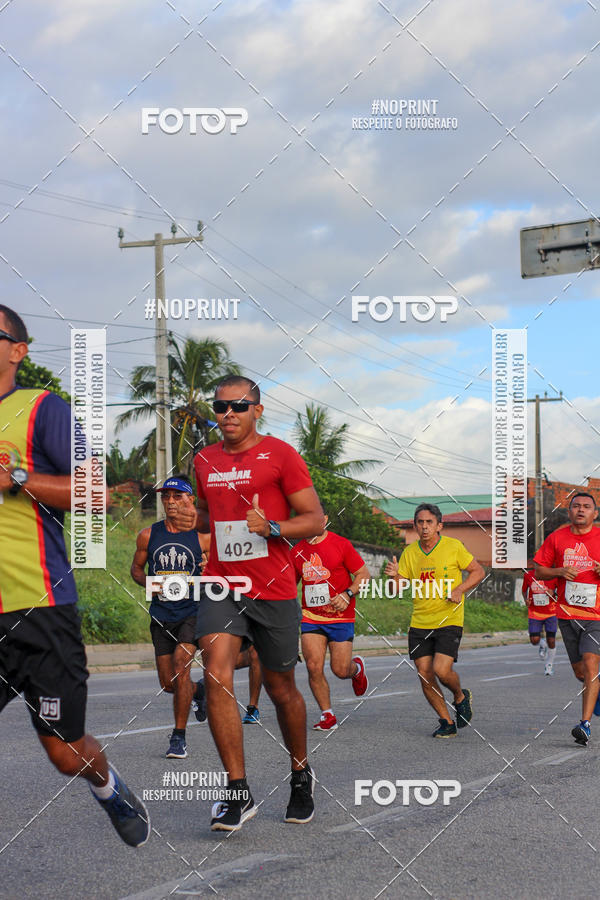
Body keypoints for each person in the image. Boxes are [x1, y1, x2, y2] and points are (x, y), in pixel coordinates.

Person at [0, 305, 149, 847]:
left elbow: (97, 493)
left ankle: (108, 787)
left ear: (18, 351)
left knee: (65, 753)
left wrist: (17, 476)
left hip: (39, 608)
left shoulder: (42, 408)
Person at [193, 374, 323, 832]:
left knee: (281, 688)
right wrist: (194, 523)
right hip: (222, 584)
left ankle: (300, 774)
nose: (228, 414)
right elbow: (207, 516)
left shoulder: (281, 455)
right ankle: (237, 790)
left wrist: (272, 528)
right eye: (220, 406)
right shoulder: (204, 460)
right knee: (216, 674)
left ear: (258, 411)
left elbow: (314, 519)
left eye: (238, 406)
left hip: (273, 588)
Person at [385, 503, 484, 738]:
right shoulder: (410, 552)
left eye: (429, 522)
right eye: (420, 522)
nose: (424, 526)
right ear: (415, 526)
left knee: (441, 669)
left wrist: (459, 589)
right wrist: (393, 577)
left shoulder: (453, 547)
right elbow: (395, 589)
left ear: (439, 525)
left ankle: (460, 696)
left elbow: (478, 571)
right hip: (420, 622)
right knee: (424, 673)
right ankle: (446, 721)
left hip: (449, 618)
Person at [130, 475, 209, 759]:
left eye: (177, 496)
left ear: (191, 500)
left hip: (192, 612)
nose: (170, 501)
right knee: (168, 683)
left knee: (181, 665)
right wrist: (150, 583)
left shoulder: (202, 537)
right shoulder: (148, 535)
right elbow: (136, 570)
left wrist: (210, 567)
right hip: (161, 614)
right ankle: (198, 691)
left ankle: (178, 737)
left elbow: (222, 570)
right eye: (166, 496)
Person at [292, 513, 370, 731]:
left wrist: (347, 594)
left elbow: (364, 575)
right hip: (311, 617)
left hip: (340, 616)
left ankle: (356, 669)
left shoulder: (340, 544)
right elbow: (288, 586)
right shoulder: (296, 551)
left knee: (340, 670)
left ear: (324, 519)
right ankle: (327, 714)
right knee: (313, 666)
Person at [534, 492, 600, 746]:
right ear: (569, 511)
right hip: (567, 614)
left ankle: (584, 725)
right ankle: (595, 690)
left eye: (587, 507)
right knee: (581, 672)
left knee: (590, 664)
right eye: (576, 506)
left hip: (596, 615)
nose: (581, 510)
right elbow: (539, 570)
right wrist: (559, 571)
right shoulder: (557, 537)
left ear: (595, 513)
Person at [521, 569, 558, 675]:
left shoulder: (554, 574)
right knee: (534, 640)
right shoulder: (528, 575)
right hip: (535, 612)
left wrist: (553, 592)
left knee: (551, 640)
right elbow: (524, 590)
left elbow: (561, 591)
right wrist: (526, 600)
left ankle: (549, 665)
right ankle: (542, 644)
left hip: (551, 612)